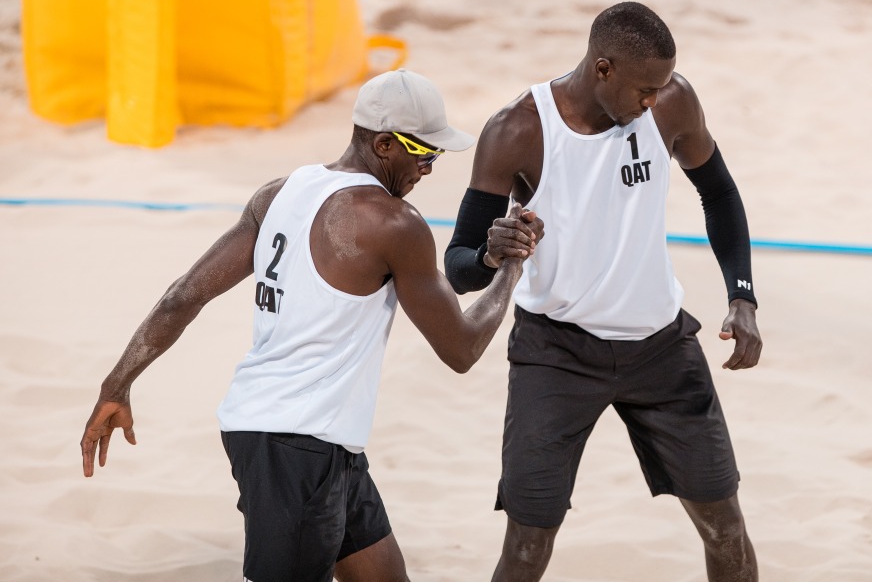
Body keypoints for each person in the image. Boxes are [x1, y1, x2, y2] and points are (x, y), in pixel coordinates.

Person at [80, 69, 542, 582]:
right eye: (425, 154)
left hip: (296, 436)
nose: (429, 169)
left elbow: (183, 297)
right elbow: (462, 349)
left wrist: (116, 384)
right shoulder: (394, 223)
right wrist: (513, 267)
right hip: (298, 445)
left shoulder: (279, 193)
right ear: (386, 144)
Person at [444, 1, 763, 582]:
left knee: (725, 528)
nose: (652, 103)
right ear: (603, 68)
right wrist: (495, 252)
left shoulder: (672, 103)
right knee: (526, 547)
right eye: (644, 90)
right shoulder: (517, 130)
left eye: (661, 89)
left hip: (662, 348)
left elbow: (719, 193)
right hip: (557, 355)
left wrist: (742, 293)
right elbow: (459, 266)